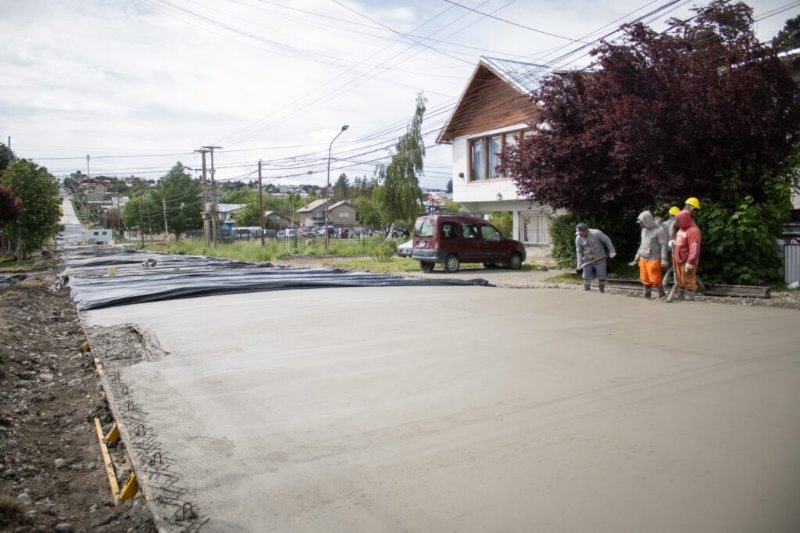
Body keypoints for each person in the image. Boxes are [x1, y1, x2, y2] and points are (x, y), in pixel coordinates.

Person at [629, 211, 669, 299]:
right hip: (643, 258)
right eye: (640, 223)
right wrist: (637, 256)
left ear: (647, 221)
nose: (641, 225)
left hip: (654, 258)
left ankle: (662, 296)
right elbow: (642, 244)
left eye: (642, 223)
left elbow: (663, 244)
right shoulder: (643, 231)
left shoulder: (659, 230)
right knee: (644, 279)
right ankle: (647, 296)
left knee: (655, 279)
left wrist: (664, 259)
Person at [575, 223, 616, 293]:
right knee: (586, 276)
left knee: (601, 275)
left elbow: (607, 240)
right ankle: (587, 290)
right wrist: (579, 262)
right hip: (587, 259)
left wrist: (612, 251)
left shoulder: (596, 233)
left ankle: (601, 290)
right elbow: (579, 251)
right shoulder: (578, 238)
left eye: (581, 233)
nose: (580, 235)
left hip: (600, 258)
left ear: (585, 230)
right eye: (578, 233)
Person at [672, 210, 702, 301]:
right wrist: (674, 243)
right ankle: (680, 296)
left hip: (687, 260)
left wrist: (690, 261)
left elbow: (694, 247)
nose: (676, 222)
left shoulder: (693, 230)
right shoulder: (681, 229)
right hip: (678, 258)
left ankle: (690, 297)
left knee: (689, 278)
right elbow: (680, 241)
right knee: (679, 278)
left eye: (678, 220)